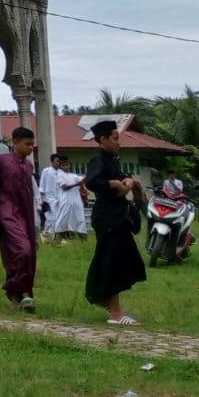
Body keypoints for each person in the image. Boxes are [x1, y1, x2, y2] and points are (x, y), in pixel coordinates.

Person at [84, 120, 147, 325]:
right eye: (115, 138)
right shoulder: (98, 159)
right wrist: (113, 184)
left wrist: (128, 180)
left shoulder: (111, 159)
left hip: (118, 217)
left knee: (123, 261)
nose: (119, 142)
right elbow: (92, 181)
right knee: (111, 262)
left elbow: (120, 177)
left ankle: (104, 299)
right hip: (108, 217)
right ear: (103, 139)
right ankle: (116, 314)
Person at [0, 126, 40, 311]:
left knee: (25, 255)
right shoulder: (2, 161)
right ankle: (21, 291)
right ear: (15, 142)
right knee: (22, 251)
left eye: (32, 144)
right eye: (27, 144)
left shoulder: (29, 166)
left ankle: (19, 298)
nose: (31, 148)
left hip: (26, 214)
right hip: (7, 212)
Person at [50, 158, 89, 240]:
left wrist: (90, 173)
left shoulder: (73, 175)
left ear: (69, 165)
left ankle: (82, 237)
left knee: (79, 218)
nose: (65, 167)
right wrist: (77, 184)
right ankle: (58, 238)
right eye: (63, 165)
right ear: (60, 166)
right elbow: (64, 187)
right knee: (63, 218)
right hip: (65, 200)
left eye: (67, 165)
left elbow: (83, 180)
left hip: (76, 200)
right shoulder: (59, 175)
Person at [38, 153, 62, 240]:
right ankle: (48, 236)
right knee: (51, 218)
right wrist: (41, 200)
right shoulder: (46, 171)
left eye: (59, 161)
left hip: (58, 199)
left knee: (57, 218)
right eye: (57, 161)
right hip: (48, 199)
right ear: (52, 161)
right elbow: (42, 186)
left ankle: (51, 236)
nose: (58, 163)